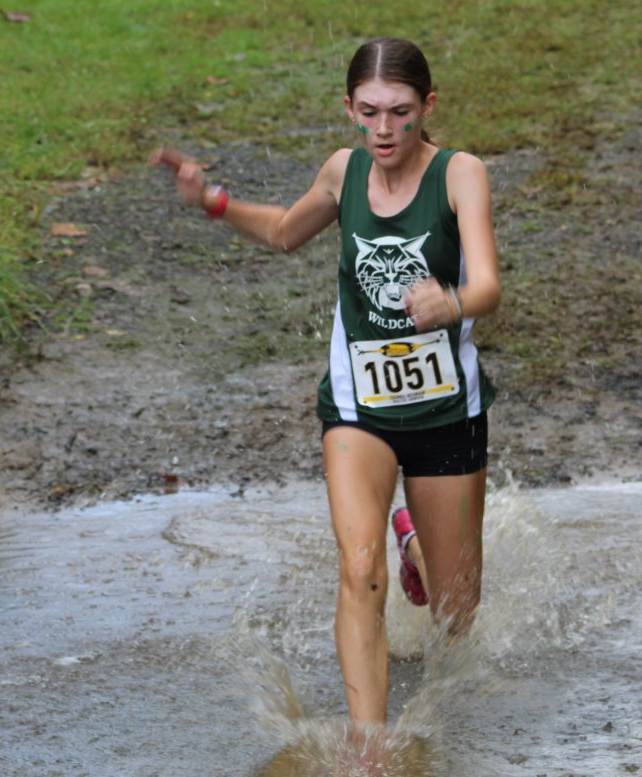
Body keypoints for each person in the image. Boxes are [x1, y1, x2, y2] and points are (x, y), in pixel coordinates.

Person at [150, 37, 500, 733]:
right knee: (358, 568)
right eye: (368, 112)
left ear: (427, 106)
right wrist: (211, 201)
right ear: (348, 108)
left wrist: (451, 303)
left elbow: (487, 283)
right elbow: (285, 232)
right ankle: (367, 746)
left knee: (454, 612)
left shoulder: (461, 174)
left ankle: (415, 546)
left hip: (445, 413)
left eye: (400, 113)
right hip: (357, 407)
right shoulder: (344, 173)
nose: (384, 131)